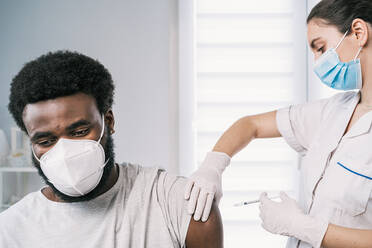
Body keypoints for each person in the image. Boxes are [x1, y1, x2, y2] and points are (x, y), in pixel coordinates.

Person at [185, 0, 372, 247]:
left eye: (320, 48)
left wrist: (303, 227)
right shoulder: (334, 111)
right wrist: (212, 166)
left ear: (358, 32)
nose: (317, 63)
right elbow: (250, 125)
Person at [0, 51, 223, 248]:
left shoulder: (178, 204)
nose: (65, 154)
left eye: (79, 132)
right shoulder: (10, 231)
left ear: (109, 121)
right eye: (46, 141)